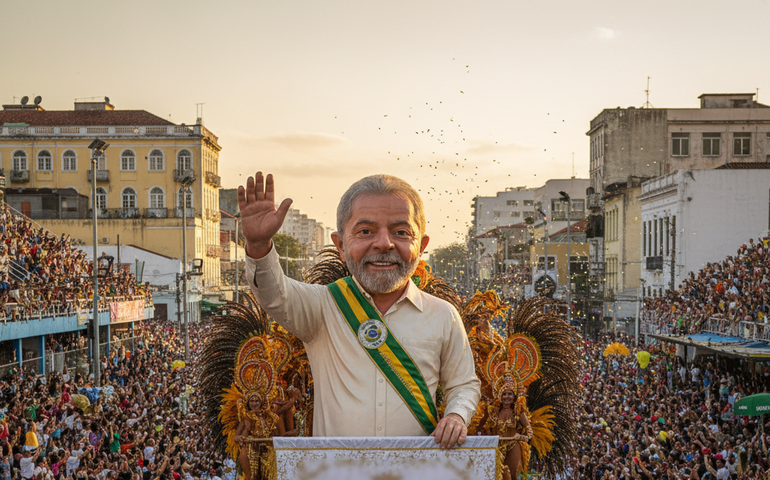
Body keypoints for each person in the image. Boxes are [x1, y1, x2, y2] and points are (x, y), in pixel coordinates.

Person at [239, 172, 480, 448]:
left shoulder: (443, 315)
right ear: (340, 245)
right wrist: (258, 246)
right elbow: (273, 293)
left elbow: (463, 384)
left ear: (422, 246)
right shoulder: (321, 307)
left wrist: (456, 416)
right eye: (365, 231)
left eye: (401, 232)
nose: (384, 243)